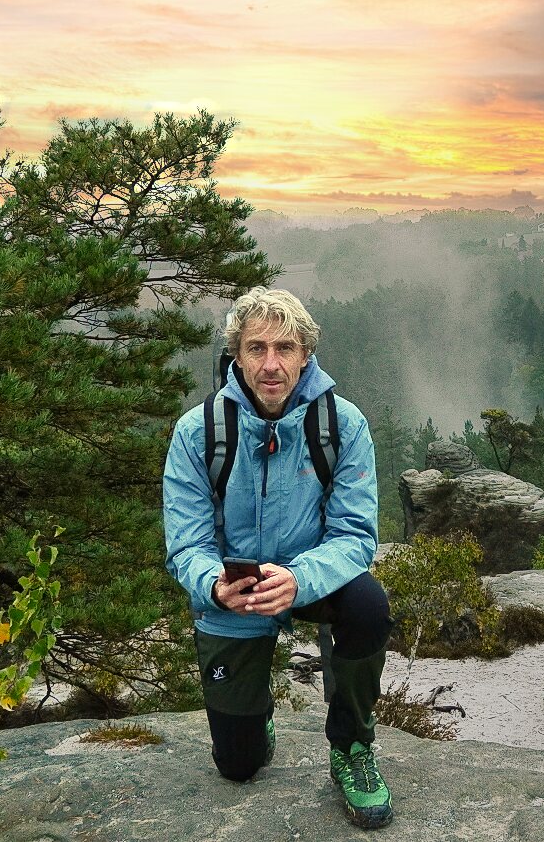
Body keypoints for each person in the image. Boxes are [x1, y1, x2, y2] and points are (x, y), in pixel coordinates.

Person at [163, 287, 395, 829]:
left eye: (285, 348)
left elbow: (356, 535)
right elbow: (186, 545)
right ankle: (254, 719)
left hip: (310, 574)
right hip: (234, 590)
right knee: (239, 766)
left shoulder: (342, 425)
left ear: (306, 355)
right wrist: (213, 584)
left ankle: (353, 747)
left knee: (367, 605)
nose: (271, 364)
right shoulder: (199, 433)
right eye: (257, 348)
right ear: (236, 356)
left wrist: (298, 579)